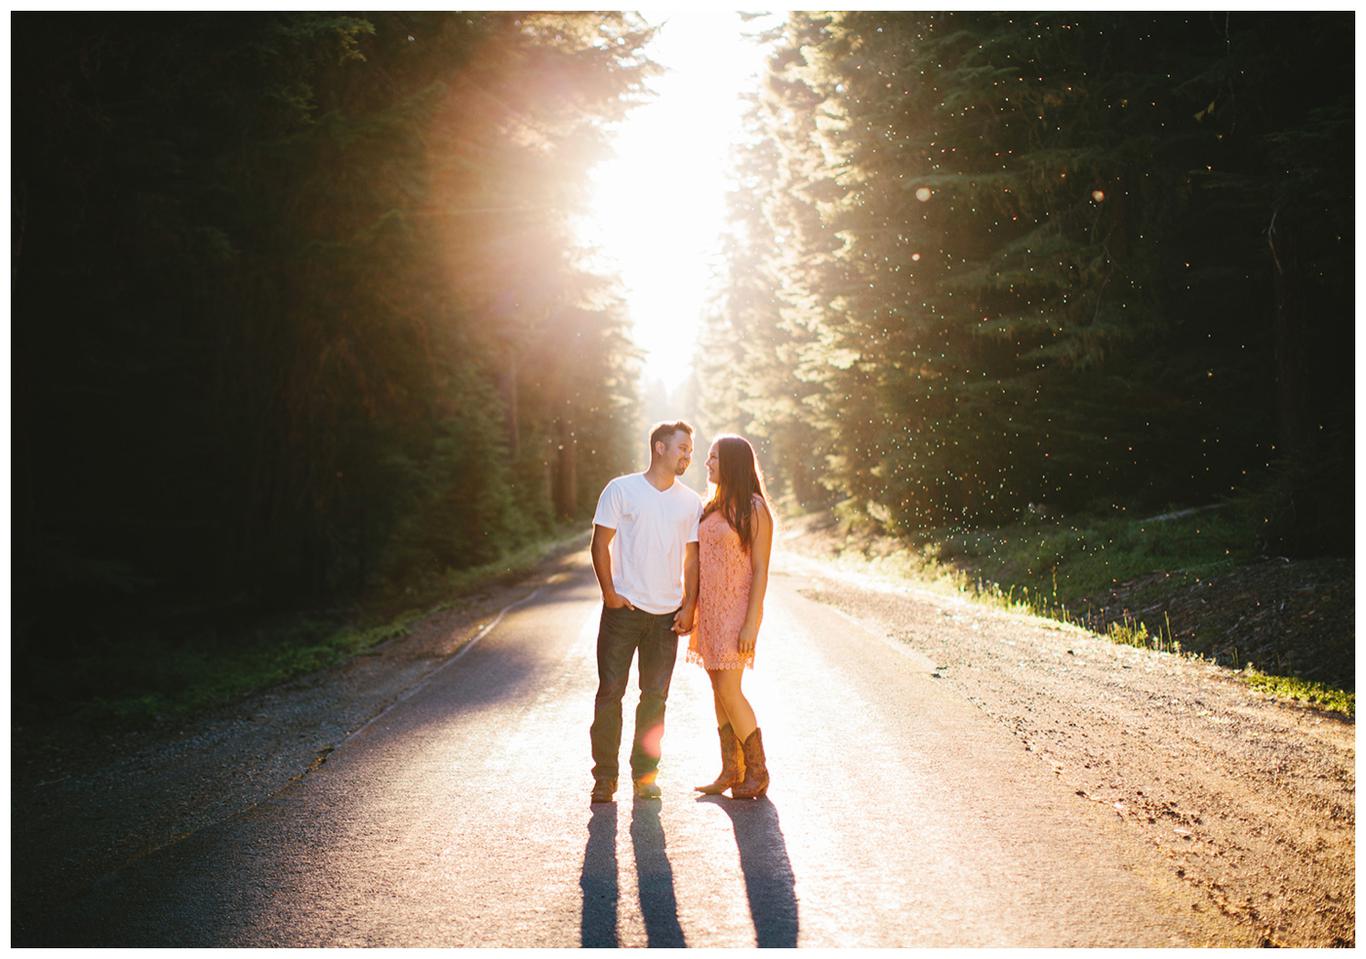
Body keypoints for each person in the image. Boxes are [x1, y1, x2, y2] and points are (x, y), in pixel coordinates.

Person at [588, 421, 703, 803]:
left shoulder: (691, 502)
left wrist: (689, 605)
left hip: (666, 617)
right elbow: (600, 544)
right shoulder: (621, 490)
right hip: (624, 612)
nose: (688, 456)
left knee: (654, 699)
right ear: (659, 447)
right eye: (683, 448)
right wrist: (609, 594)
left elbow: (692, 559)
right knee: (610, 693)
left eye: (690, 450)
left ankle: (645, 776)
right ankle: (605, 778)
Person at [688, 434, 774, 800]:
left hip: (736, 612)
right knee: (717, 688)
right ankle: (731, 769)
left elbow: (761, 569)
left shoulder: (755, 508)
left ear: (733, 463)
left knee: (729, 689)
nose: (707, 463)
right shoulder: (713, 506)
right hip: (709, 610)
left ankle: (758, 770)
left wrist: (751, 622)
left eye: (714, 457)